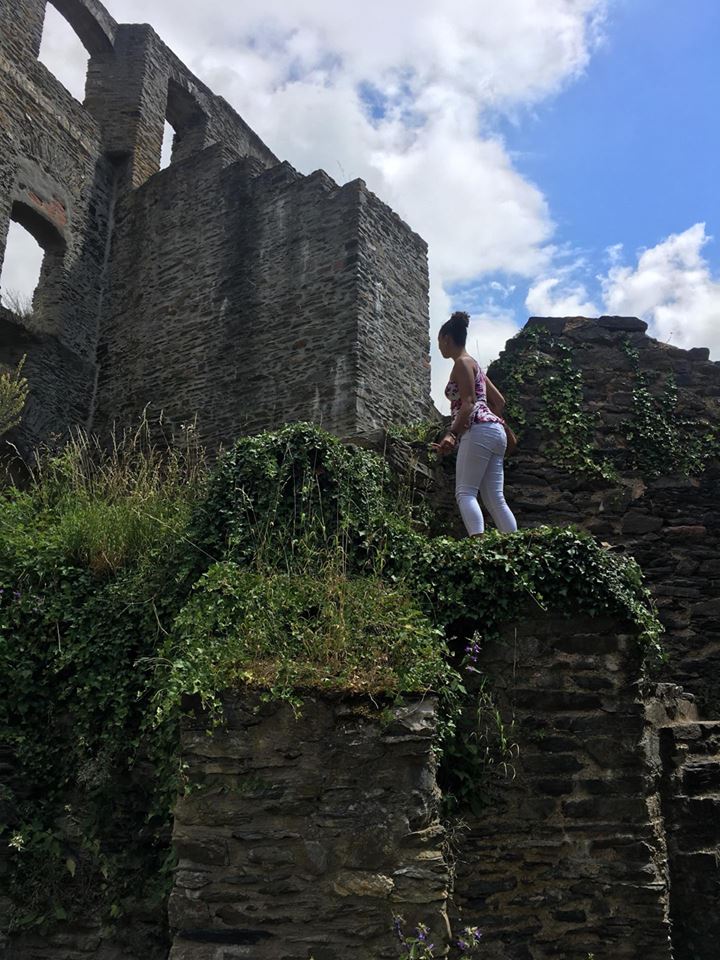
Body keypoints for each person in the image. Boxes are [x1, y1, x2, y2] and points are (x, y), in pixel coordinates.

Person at [432, 311, 518, 537]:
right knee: (495, 498)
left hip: (478, 428)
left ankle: (478, 548)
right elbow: (499, 402)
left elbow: (468, 402)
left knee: (465, 492)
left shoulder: (461, 363)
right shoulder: (475, 366)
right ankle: (515, 546)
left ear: (447, 338)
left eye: (439, 342)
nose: (439, 347)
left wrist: (452, 434)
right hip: (494, 431)